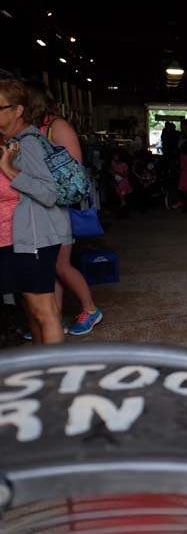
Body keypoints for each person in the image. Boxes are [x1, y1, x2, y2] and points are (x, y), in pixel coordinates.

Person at [26, 82, 103, 336]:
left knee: (61, 265)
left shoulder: (56, 127)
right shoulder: (33, 129)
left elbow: (74, 176)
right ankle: (53, 318)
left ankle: (90, 309)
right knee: (50, 268)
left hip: (55, 207)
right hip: (36, 207)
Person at [0, 78, 69, 344]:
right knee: (34, 312)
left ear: (17, 110)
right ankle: (44, 370)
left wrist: (9, 170)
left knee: (44, 312)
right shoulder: (13, 141)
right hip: (19, 239)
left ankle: (57, 376)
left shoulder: (28, 144)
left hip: (34, 239)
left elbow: (48, 193)